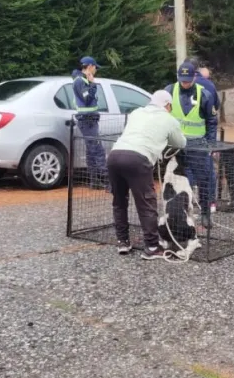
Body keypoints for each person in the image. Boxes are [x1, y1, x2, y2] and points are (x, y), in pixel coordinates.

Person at [108, 90, 186, 260]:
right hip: (138, 158)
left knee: (119, 202)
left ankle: (122, 242)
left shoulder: (136, 112)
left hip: (115, 155)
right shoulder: (169, 119)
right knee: (146, 203)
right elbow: (180, 142)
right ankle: (151, 246)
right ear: (167, 104)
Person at [165, 61, 216, 228]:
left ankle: (205, 214)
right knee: (176, 178)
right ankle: (177, 212)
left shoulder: (205, 94)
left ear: (194, 77)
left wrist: (210, 145)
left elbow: (211, 121)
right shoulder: (169, 91)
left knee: (204, 179)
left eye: (188, 79)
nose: (185, 83)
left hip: (198, 145)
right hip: (175, 145)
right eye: (182, 79)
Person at [72, 56, 107, 190]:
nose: (96, 70)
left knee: (91, 151)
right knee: (98, 150)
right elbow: (87, 99)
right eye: (95, 67)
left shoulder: (82, 80)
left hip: (90, 120)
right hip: (87, 120)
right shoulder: (80, 81)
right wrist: (92, 84)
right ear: (90, 66)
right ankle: (108, 181)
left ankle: (94, 180)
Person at [194, 62, 220, 212]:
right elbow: (215, 109)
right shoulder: (210, 86)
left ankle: (189, 200)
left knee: (188, 169)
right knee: (207, 167)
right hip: (205, 136)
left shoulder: (176, 87)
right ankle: (210, 202)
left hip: (186, 139)